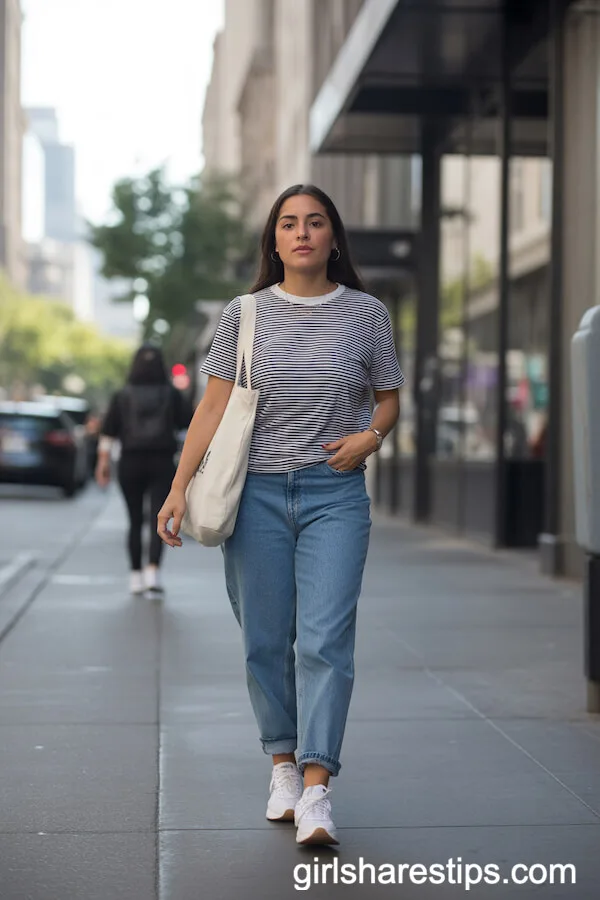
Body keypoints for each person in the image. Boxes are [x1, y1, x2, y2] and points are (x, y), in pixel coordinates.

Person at [157, 185, 404, 845]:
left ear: (333, 237)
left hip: (335, 495)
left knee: (326, 641)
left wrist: (371, 436)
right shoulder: (245, 313)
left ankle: (319, 790)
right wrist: (178, 488)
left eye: (315, 222)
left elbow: (388, 401)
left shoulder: (367, 314)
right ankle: (284, 766)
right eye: (289, 223)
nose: (302, 233)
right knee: (265, 641)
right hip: (256, 495)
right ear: (273, 239)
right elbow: (210, 409)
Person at [96, 344, 193, 597]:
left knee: (134, 519)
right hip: (162, 462)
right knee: (158, 519)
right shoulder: (171, 394)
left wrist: (103, 463)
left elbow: (108, 432)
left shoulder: (122, 395)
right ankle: (153, 572)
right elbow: (187, 428)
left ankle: (135, 576)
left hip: (130, 462)